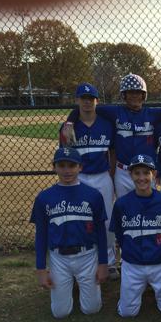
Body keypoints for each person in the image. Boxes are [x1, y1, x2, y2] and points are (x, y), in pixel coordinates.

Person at [61, 73, 161, 199]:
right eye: (130, 92)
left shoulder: (153, 114)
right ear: (124, 95)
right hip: (123, 172)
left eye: (138, 92)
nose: (134, 96)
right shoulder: (115, 112)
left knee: (149, 207)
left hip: (146, 171)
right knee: (124, 207)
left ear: (144, 95)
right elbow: (87, 107)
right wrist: (70, 122)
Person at [30, 147, 108, 318]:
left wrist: (103, 263)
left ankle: (81, 289)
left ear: (80, 167)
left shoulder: (93, 195)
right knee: (60, 313)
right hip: (59, 258)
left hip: (87, 255)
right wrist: (41, 269)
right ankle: (68, 288)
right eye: (62, 165)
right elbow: (41, 236)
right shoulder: (44, 197)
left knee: (91, 309)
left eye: (72, 166)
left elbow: (101, 233)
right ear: (54, 167)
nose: (67, 170)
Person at [59, 82, 119, 280]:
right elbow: (64, 156)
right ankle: (87, 261)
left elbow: (112, 152)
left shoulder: (106, 124)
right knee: (81, 220)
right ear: (77, 100)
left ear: (97, 101)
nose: (87, 102)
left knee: (106, 219)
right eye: (83, 98)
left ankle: (110, 262)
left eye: (90, 99)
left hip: (102, 176)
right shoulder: (69, 127)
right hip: (79, 177)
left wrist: (111, 174)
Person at [109, 154, 161, 317]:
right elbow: (120, 234)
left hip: (159, 264)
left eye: (146, 173)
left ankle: (153, 290)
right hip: (132, 265)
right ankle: (129, 296)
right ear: (130, 175)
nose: (141, 178)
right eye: (137, 173)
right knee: (127, 313)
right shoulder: (121, 204)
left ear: (153, 174)